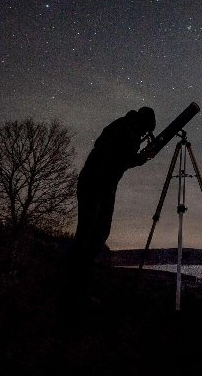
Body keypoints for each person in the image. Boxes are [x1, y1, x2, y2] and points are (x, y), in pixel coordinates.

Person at [64, 106, 156, 308]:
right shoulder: (123, 128)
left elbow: (119, 160)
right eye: (145, 131)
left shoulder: (128, 129)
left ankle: (79, 285)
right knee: (87, 235)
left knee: (98, 234)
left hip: (104, 188)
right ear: (141, 124)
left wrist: (138, 157)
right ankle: (72, 290)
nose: (144, 135)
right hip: (94, 185)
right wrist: (141, 158)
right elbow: (116, 158)